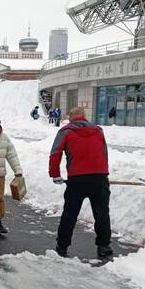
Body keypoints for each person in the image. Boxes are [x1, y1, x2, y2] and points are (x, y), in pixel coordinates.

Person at [49, 107, 113, 258]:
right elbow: (104, 152)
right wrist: (103, 172)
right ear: (84, 116)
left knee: (70, 214)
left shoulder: (65, 131)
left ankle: (62, 246)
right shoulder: (98, 130)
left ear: (71, 118)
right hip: (99, 178)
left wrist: (55, 174)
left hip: (77, 179)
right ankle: (104, 246)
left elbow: (55, 154)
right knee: (102, 213)